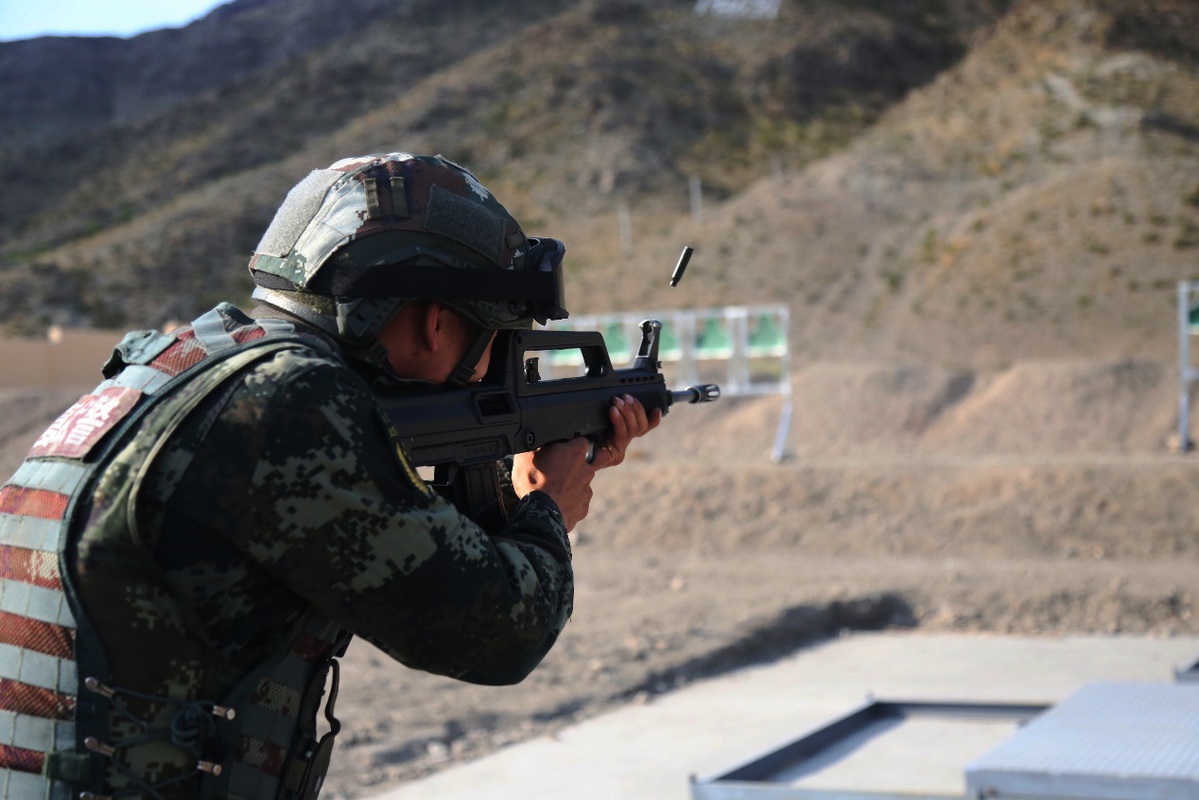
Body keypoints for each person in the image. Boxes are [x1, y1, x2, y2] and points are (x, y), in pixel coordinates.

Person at [0, 152, 660, 799]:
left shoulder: (186, 363)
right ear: (434, 322)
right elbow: (498, 635)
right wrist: (546, 506)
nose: (493, 366)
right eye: (493, 338)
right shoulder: (289, 404)